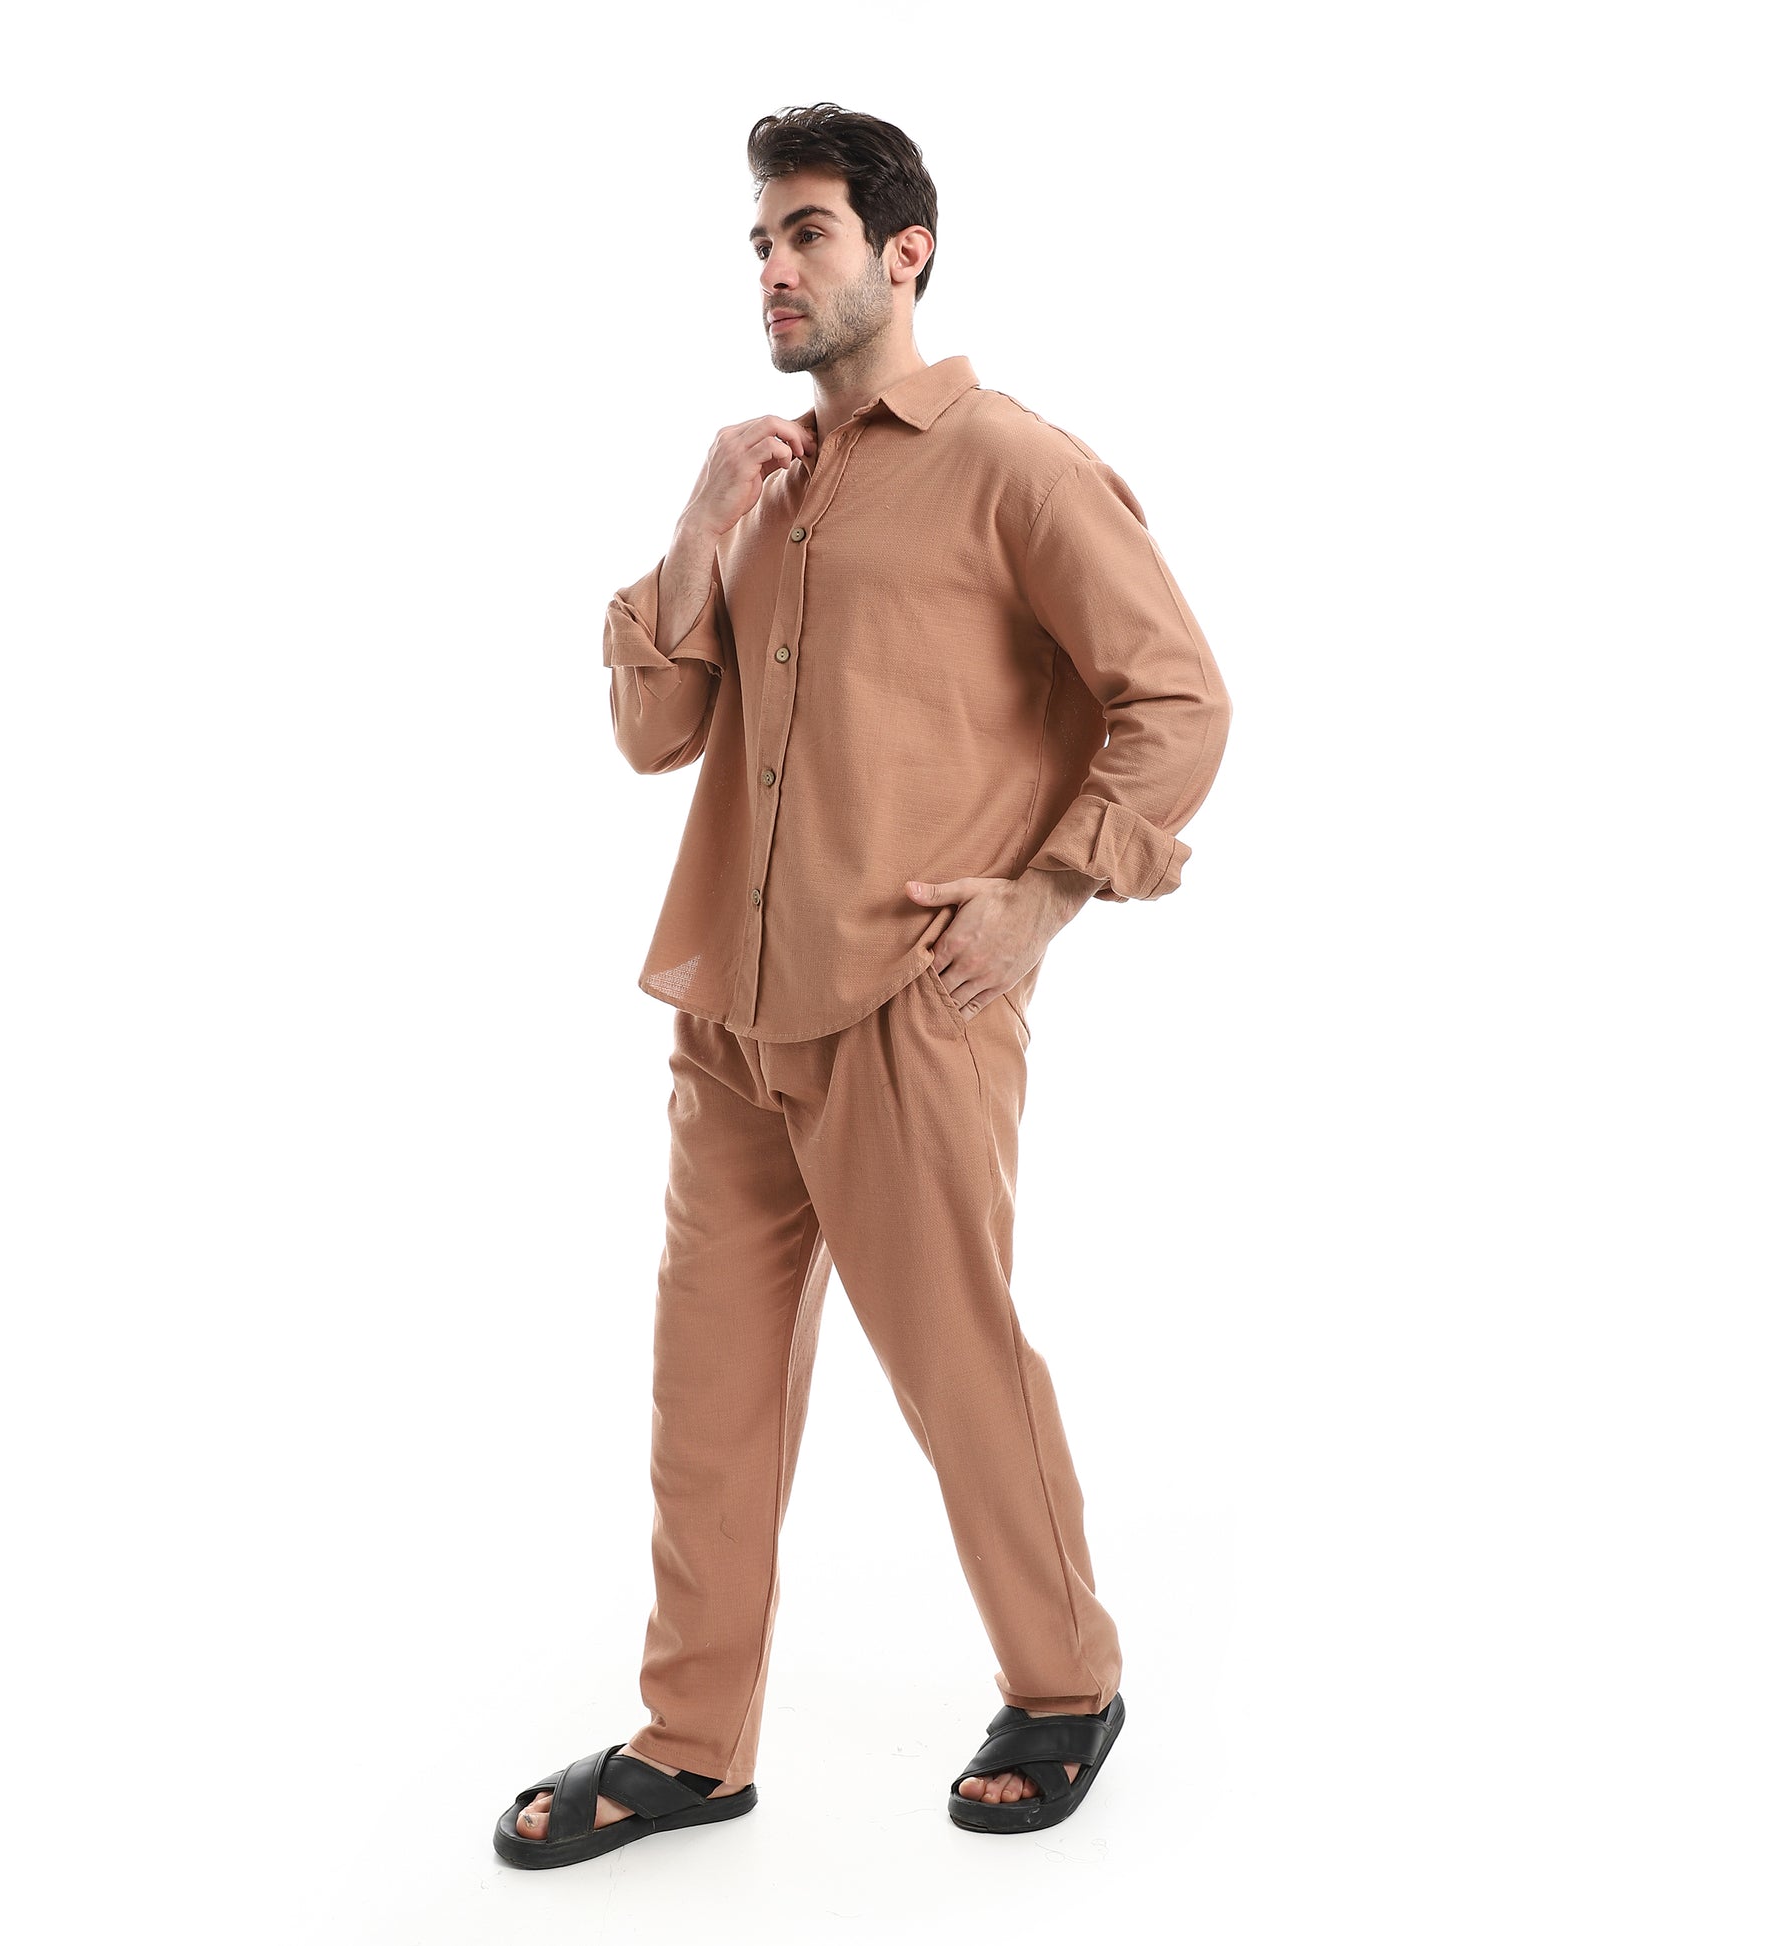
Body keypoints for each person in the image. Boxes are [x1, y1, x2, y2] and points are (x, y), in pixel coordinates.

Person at [496, 101, 1231, 1870]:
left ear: (905, 253)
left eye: (805, 232)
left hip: (911, 1001)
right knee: (705, 1401)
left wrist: (1043, 893)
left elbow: (1178, 701)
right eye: (758, 239)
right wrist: (697, 524)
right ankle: (691, 1744)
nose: (772, 266)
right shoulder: (760, 486)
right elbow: (652, 733)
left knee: (954, 1368)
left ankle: (1063, 1685)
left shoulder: (1013, 466)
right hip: (729, 1014)